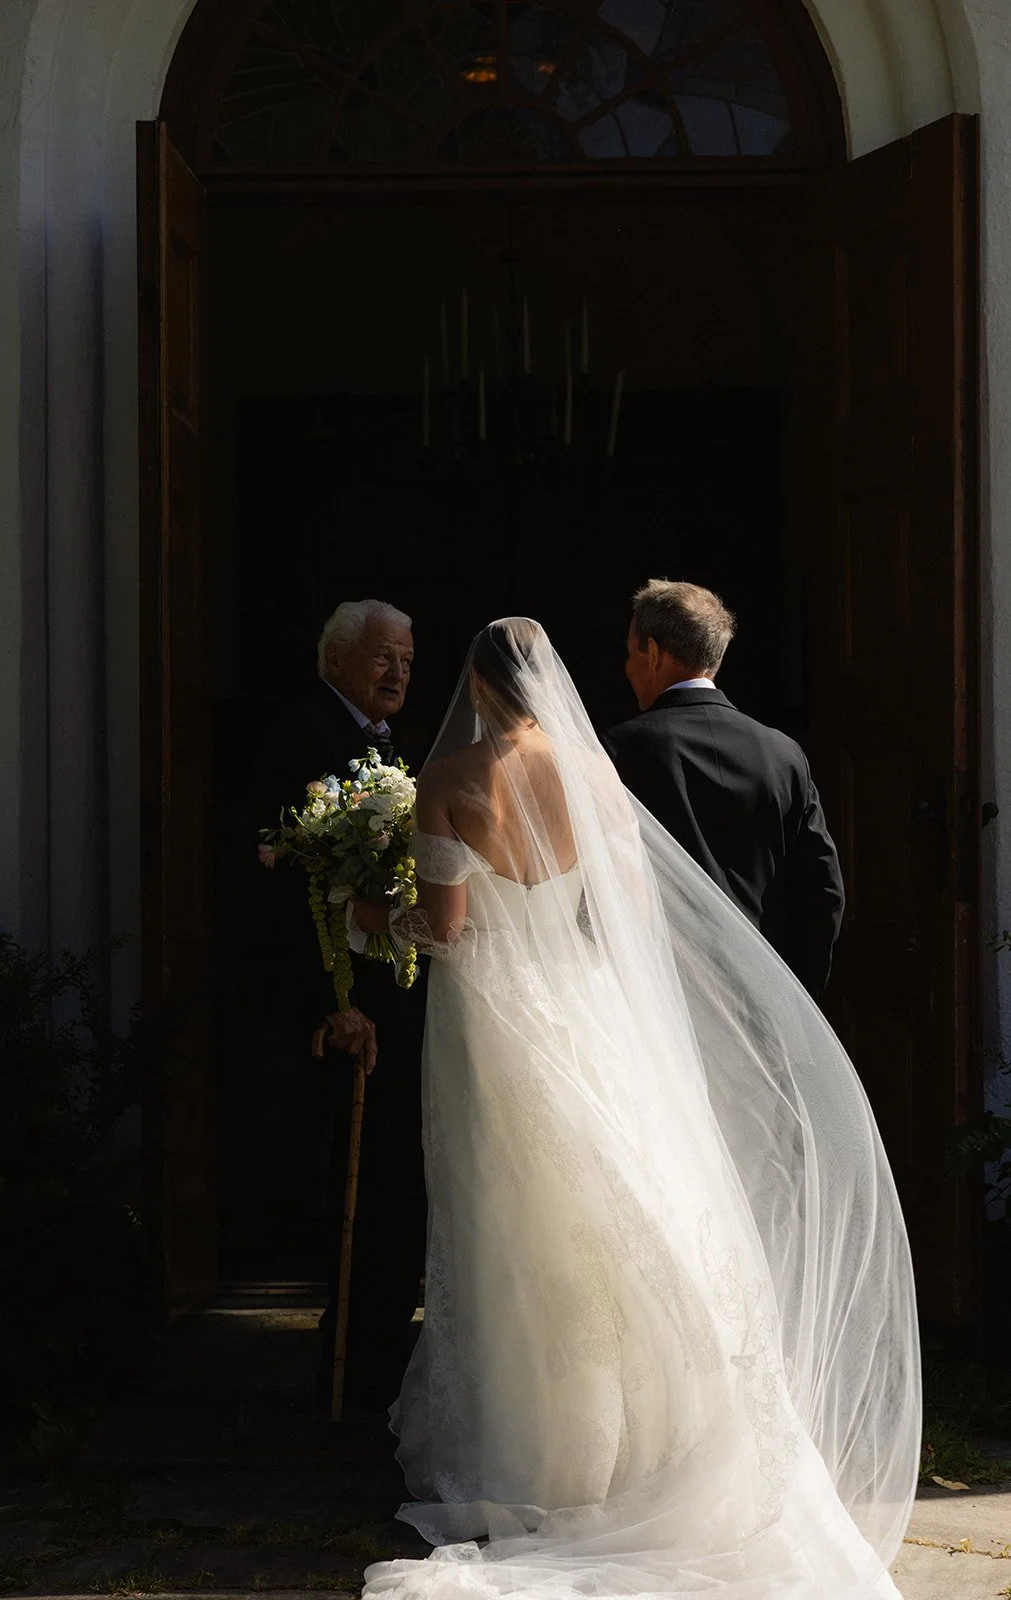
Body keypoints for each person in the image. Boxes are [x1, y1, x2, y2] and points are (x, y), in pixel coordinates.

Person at [354, 618, 918, 1600]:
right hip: (584, 1010)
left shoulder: (448, 784)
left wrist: (366, 918)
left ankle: (537, 1458)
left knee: (513, 1224)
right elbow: (618, 919)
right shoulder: (596, 780)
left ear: (479, 691)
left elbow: (441, 927)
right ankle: (639, 1453)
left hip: (492, 1020)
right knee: (610, 1215)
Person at [252, 597, 427, 1412]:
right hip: (343, 1006)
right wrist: (330, 1004)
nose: (396, 672)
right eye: (381, 657)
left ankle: (373, 1364)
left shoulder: (384, 743)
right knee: (366, 1187)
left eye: (404, 660)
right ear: (337, 661)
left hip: (384, 993)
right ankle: (352, 1374)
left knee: (396, 1186)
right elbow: (290, 881)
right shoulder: (304, 733)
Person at [603, 579, 845, 997]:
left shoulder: (619, 751)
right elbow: (823, 890)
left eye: (631, 651)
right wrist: (794, 996)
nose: (627, 667)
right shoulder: (781, 753)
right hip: (762, 998)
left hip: (664, 999)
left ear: (655, 653)